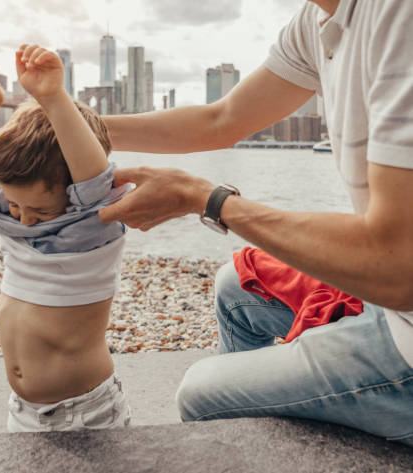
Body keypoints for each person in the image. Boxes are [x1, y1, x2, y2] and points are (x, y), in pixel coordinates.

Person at [99, 0, 413, 446]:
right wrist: (79, 126)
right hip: (397, 303)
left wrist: (204, 199)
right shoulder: (319, 19)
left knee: (202, 393)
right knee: (236, 286)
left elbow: (397, 268)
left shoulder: (399, 15)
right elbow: (220, 119)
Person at [0, 44, 131, 432]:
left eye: (41, 212)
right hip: (22, 410)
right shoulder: (13, 210)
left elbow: (93, 180)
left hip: (85, 414)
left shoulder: (91, 226)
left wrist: (53, 98)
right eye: (14, 205)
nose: (25, 220)